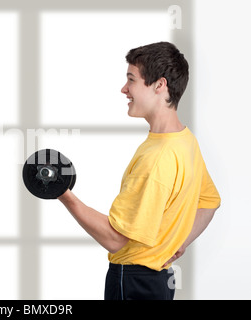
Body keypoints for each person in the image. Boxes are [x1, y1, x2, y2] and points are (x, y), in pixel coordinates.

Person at [57, 42, 221, 300]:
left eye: (131, 80)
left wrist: (62, 193)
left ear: (160, 85)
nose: (124, 89)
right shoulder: (185, 141)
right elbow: (210, 202)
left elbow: (114, 239)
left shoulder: (157, 159)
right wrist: (179, 242)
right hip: (160, 280)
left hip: (133, 282)